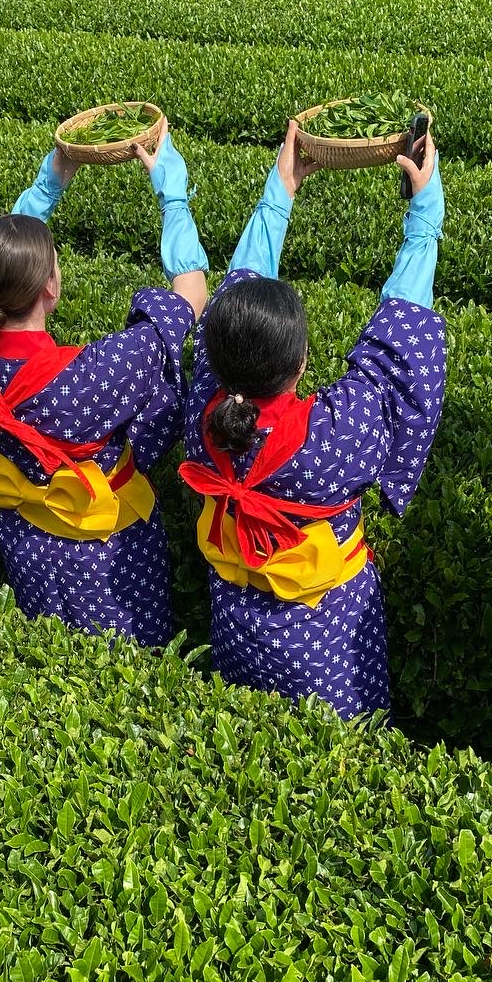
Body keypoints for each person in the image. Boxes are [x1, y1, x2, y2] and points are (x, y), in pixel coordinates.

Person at [178, 121, 447, 720]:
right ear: (302, 363)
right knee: (341, 746)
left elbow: (238, 290)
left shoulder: (206, 408)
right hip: (327, 629)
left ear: (214, 355)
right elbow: (398, 345)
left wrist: (281, 190)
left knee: (249, 727)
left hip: (236, 613)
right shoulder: (334, 434)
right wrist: (424, 216)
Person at [0, 123, 208, 649]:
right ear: (50, 286)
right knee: (133, 668)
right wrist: (171, 195)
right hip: (107, 550)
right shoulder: (93, 371)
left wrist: (50, 182)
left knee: (50, 661)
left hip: (24, 540)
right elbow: (190, 292)